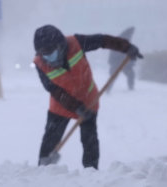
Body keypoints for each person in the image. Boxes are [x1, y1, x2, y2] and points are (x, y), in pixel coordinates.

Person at [33, 25, 143, 169]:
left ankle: (91, 173)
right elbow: (53, 89)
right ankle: (43, 169)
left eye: (50, 51)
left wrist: (126, 47)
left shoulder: (76, 43)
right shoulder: (40, 63)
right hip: (61, 103)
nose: (48, 56)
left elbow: (103, 40)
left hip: (88, 99)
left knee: (89, 139)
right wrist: (75, 107)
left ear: (60, 45)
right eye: (43, 53)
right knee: (50, 139)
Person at [107, 27, 136, 93]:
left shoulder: (126, 41)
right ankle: (107, 90)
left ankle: (131, 88)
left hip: (124, 63)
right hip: (117, 62)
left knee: (131, 74)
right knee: (113, 76)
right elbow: (116, 52)